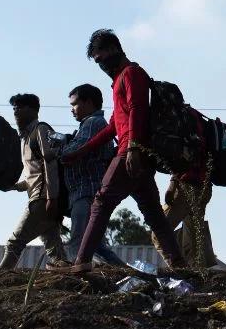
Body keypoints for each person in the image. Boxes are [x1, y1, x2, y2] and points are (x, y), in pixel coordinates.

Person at [61, 29, 186, 272]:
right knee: (154, 214)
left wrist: (133, 149)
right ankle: (179, 265)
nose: (101, 65)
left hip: (132, 152)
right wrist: (81, 151)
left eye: (100, 58)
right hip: (135, 153)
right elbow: (113, 126)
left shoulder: (132, 74)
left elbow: (138, 109)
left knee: (101, 202)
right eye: (96, 62)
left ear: (113, 49)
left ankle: (82, 261)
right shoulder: (119, 79)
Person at [58, 84, 126, 266]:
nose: (72, 110)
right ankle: (126, 273)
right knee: (94, 244)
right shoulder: (89, 125)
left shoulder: (93, 123)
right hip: (85, 192)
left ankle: (76, 278)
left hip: (86, 192)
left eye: (74, 104)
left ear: (88, 102)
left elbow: (72, 151)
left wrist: (59, 147)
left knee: (79, 243)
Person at [0, 94, 69, 269]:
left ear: (33, 110)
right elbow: (34, 175)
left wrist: (52, 198)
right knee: (55, 252)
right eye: (14, 108)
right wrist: (15, 186)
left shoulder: (41, 130)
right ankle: (69, 283)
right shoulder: (26, 138)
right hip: (42, 198)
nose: (16, 111)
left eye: (20, 107)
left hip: (42, 200)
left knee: (14, 243)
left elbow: (50, 162)